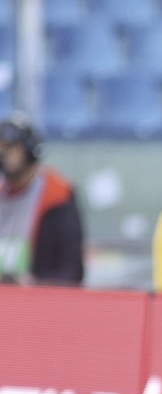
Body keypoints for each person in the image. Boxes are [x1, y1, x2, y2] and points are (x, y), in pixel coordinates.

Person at [0, 112, 84, 285]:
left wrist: (36, 284)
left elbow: (72, 270)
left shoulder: (56, 195)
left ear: (28, 149)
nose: (4, 154)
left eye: (11, 147)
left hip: (41, 298)